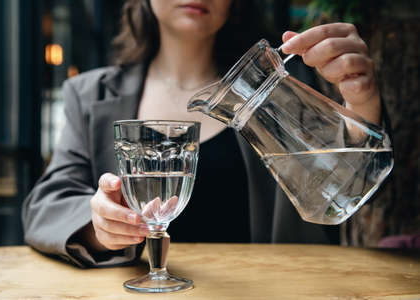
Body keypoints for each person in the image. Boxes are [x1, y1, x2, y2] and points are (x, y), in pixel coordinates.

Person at [22, 0, 387, 267]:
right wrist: (97, 227)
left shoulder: (284, 86)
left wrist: (361, 107)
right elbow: (46, 205)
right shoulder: (89, 95)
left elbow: (348, 187)